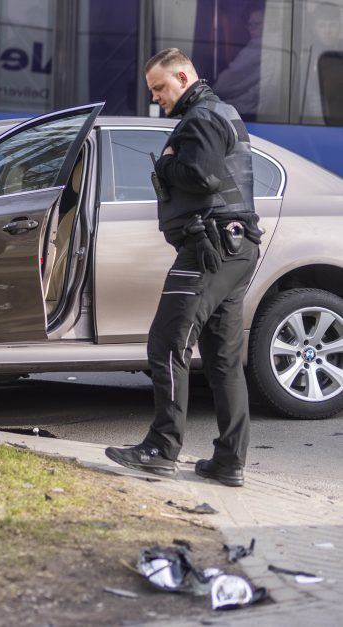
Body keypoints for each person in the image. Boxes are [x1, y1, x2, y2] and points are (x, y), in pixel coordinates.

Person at [104, 48, 262, 487]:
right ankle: (229, 461)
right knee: (223, 359)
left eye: (159, 88)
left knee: (166, 343)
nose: (156, 97)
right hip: (234, 246)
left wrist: (167, 161)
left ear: (182, 75)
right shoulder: (218, 112)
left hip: (209, 247)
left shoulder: (203, 117)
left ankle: (161, 448)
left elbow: (202, 176)